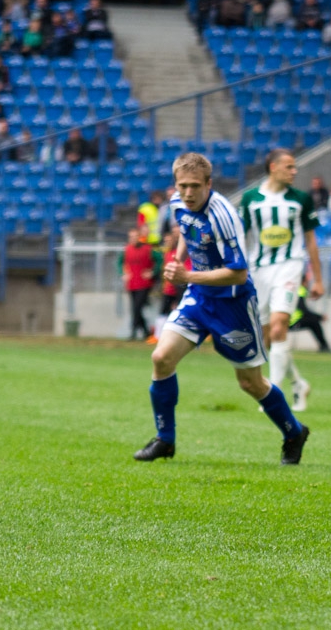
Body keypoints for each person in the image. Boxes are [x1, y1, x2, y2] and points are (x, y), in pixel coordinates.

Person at [133, 153, 310, 465]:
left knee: (250, 383)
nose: (188, 193)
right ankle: (165, 439)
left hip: (234, 305)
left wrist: (186, 275)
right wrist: (177, 259)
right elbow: (188, 232)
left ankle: (293, 432)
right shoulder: (177, 203)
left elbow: (239, 272)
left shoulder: (224, 217)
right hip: (200, 297)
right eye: (182, 186)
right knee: (161, 358)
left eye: (195, 187)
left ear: (209, 184)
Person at [240, 149, 324, 412]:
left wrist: (318, 280)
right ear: (273, 167)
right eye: (289, 166)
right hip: (260, 271)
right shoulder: (250, 199)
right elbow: (242, 238)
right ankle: (298, 383)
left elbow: (311, 241)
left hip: (290, 267)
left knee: (279, 327)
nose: (294, 171)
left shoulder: (300, 199)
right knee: (266, 338)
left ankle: (272, 394)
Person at [120, 226, 161, 342]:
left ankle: (133, 331)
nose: (133, 239)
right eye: (131, 237)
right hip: (132, 283)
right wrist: (123, 273)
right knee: (136, 308)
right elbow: (119, 263)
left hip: (144, 284)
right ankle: (146, 332)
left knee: (136, 307)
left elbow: (160, 260)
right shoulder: (127, 249)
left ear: (140, 237)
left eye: (135, 236)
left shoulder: (148, 249)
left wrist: (152, 272)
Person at [289, 274, 331, 353]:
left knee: (313, 321)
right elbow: (303, 310)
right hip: (292, 321)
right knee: (314, 322)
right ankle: (324, 346)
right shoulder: (301, 290)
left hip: (286, 320)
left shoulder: (292, 288)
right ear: (303, 282)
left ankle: (324, 346)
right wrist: (320, 317)